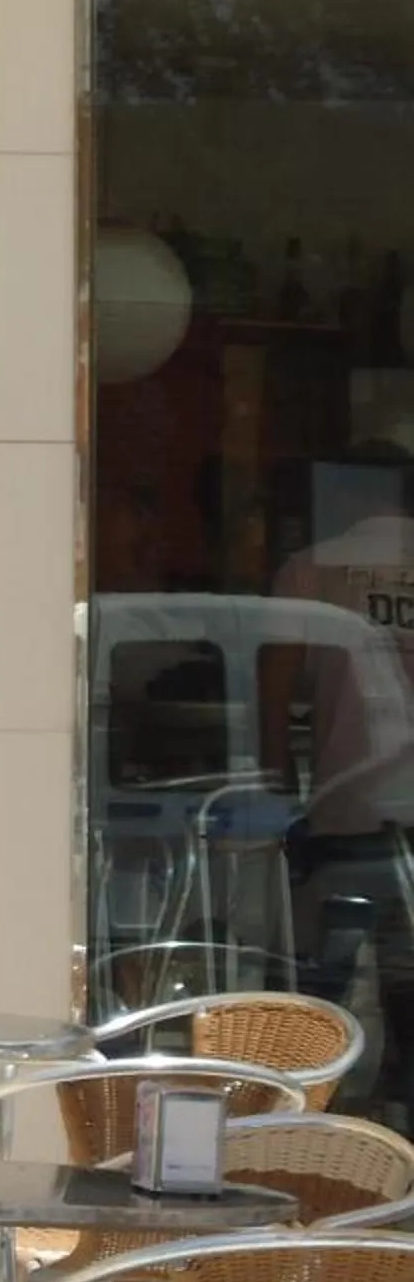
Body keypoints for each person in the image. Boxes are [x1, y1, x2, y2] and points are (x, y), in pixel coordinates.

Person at [267, 446, 414, 1123]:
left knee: (317, 985)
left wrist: (274, 784)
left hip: (345, 808)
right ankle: (398, 1115)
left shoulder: (311, 569)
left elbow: (272, 691)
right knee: (405, 978)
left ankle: (303, 1126)